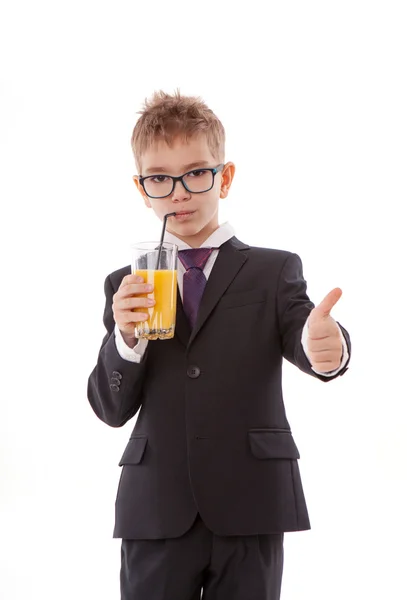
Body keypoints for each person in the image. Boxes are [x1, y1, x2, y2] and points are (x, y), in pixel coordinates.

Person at [87, 89, 351, 600]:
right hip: (156, 506)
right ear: (143, 189)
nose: (179, 192)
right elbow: (110, 407)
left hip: (251, 500)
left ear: (224, 178)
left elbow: (306, 333)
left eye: (196, 173)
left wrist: (327, 349)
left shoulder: (274, 271)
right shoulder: (127, 283)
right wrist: (126, 338)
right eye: (160, 178)